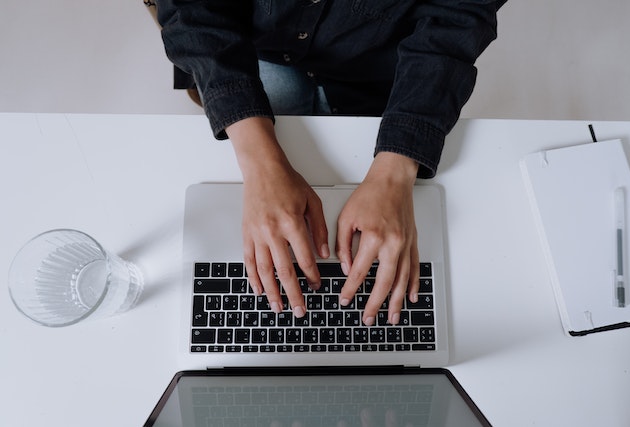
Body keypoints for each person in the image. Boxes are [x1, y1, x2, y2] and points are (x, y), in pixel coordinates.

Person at [156, 0, 505, 326]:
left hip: (376, 60)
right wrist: (260, 163)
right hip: (251, 44)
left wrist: (395, 173)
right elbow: (191, 8)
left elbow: (459, 17)